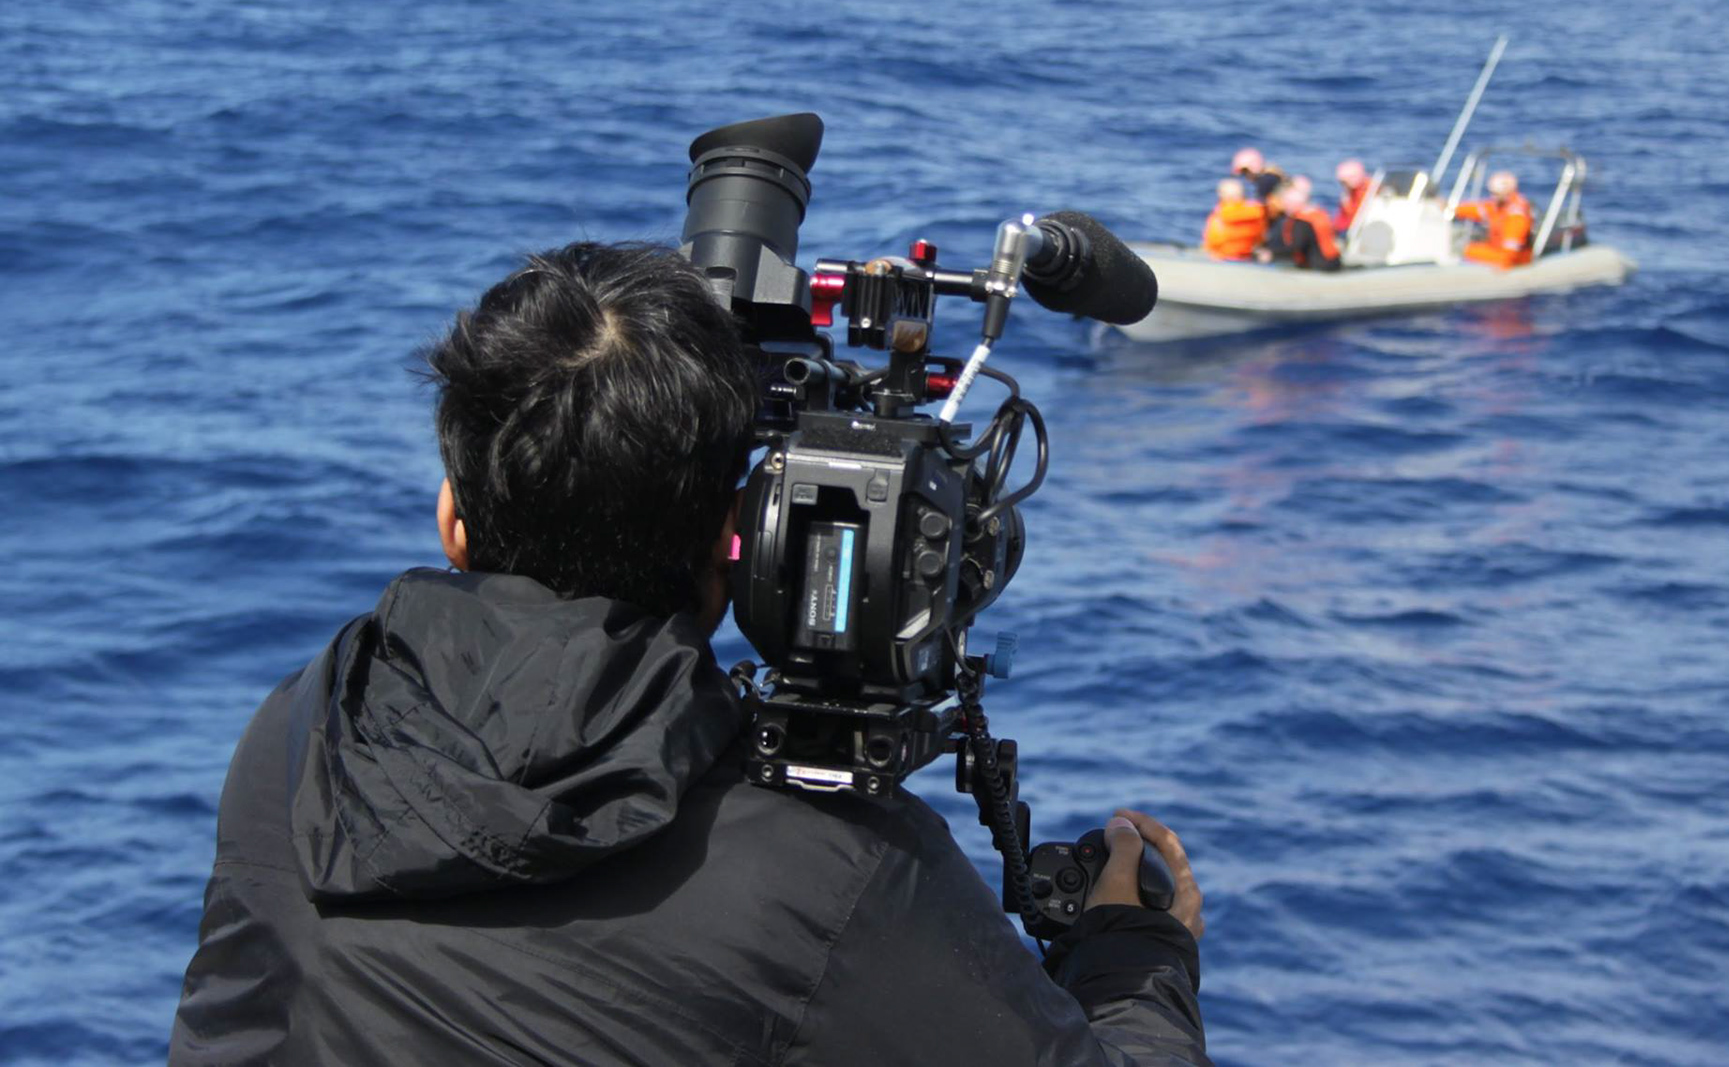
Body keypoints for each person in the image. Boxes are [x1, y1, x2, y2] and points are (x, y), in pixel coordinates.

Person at [169, 242, 1210, 1065]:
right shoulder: (836, 873)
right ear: (734, 546)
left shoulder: (303, 728)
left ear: (453, 518)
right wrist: (1135, 959)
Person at [1259, 177, 1342, 272]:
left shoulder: (1301, 223)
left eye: (1286, 203)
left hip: (1320, 266)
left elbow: (1296, 248)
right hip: (1333, 261)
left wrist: (1272, 254)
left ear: (1292, 204)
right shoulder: (1318, 213)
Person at [1456, 170, 1535, 269]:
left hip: (1516, 259)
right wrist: (1453, 209)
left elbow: (1510, 253)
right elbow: (1479, 210)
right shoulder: (1498, 205)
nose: (1492, 197)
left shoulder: (1516, 215)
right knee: (1467, 248)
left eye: (1495, 194)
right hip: (1497, 250)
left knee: (1465, 251)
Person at [1201, 175, 1269, 260]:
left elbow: (1211, 244)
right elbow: (1261, 239)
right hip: (1248, 258)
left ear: (1222, 196)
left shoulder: (1219, 218)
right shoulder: (1257, 214)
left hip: (1224, 259)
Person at [1332, 159, 1370, 235]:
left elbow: (1354, 217)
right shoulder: (1349, 193)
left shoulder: (1366, 191)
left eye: (1344, 183)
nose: (1343, 185)